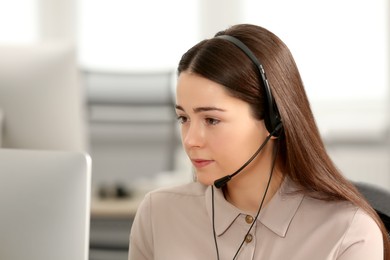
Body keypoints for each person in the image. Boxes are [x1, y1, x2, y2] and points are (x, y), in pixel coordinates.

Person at [129, 24, 390, 259]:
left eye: (211, 120)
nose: (190, 140)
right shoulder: (158, 214)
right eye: (183, 118)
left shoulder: (349, 231)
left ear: (272, 119)